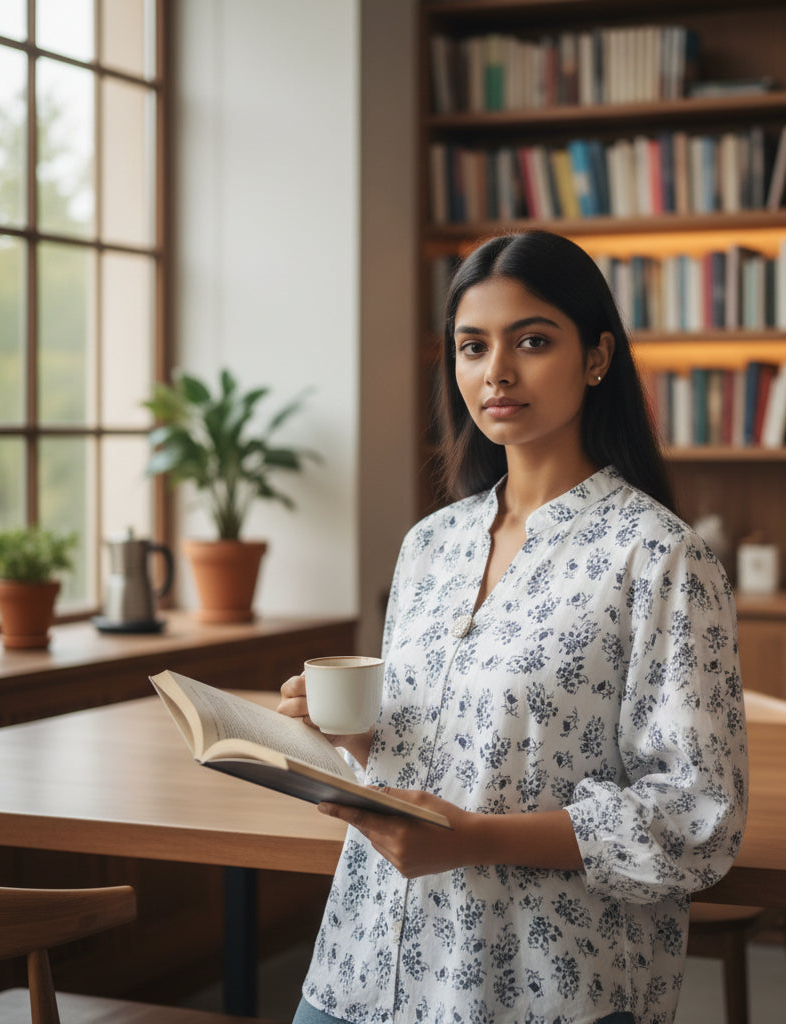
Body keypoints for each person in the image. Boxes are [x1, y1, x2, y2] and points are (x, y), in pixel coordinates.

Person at [277, 230, 748, 1024]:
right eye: (473, 347)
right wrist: (356, 738)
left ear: (596, 357)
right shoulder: (429, 545)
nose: (496, 371)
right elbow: (445, 752)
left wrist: (475, 839)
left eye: (531, 341)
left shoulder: (659, 556)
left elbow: (696, 818)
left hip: (538, 980)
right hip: (364, 960)